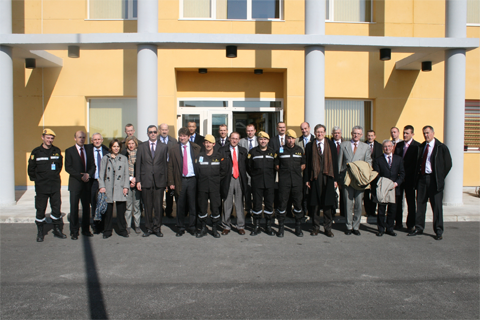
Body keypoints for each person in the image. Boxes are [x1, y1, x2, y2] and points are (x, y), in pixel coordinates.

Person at [409, 126, 452, 240]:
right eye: (424, 133)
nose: (426, 135)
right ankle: (419, 228)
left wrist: (440, 177)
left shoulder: (441, 147)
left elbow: (448, 164)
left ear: (433, 133)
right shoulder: (421, 147)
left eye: (428, 133)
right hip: (422, 179)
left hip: (435, 180)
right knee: (421, 205)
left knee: (437, 206)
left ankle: (438, 230)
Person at [28, 129, 67, 242]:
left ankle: (57, 230)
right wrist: (38, 181)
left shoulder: (56, 150)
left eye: (51, 138)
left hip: (54, 185)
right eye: (48, 137)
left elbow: (59, 166)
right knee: (40, 209)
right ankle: (41, 232)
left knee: (56, 208)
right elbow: (31, 169)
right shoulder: (36, 152)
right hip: (41, 186)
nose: (50, 140)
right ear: (43, 137)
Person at [305, 124, 339, 238]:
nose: (320, 134)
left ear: (325, 133)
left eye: (322, 132)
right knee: (314, 204)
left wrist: (335, 179)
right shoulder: (310, 146)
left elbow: (335, 162)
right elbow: (308, 163)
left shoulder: (331, 144)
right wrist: (307, 179)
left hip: (328, 176)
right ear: (315, 133)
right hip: (315, 177)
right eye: (318, 132)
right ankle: (315, 227)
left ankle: (328, 228)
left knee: (327, 203)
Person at [338, 126, 372, 236]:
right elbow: (339, 163)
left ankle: (356, 226)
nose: (356, 135)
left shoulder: (366, 147)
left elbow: (368, 163)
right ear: (351, 133)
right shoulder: (344, 145)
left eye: (358, 133)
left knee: (358, 204)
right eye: (354, 133)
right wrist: (339, 178)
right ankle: (348, 225)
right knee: (348, 203)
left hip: (359, 179)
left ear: (361, 135)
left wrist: (367, 178)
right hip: (347, 178)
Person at [168, 127, 201, 237]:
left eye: (184, 136)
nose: (181, 137)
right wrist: (171, 182)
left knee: (192, 205)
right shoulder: (174, 149)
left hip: (193, 179)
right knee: (180, 205)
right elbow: (170, 166)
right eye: (180, 135)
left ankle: (192, 226)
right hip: (180, 180)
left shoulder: (196, 148)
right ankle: (180, 227)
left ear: (188, 137)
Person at [136, 125, 168, 237]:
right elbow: (138, 165)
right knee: (147, 206)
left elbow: (165, 165)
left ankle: (157, 228)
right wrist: (138, 181)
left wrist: (166, 182)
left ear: (157, 133)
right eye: (151, 132)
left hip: (159, 181)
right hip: (146, 180)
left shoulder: (164, 146)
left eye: (155, 132)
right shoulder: (141, 146)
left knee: (158, 206)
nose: (153, 134)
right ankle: (148, 228)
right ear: (147, 133)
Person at [275, 129, 306, 237]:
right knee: (282, 205)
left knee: (298, 205)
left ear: (295, 139)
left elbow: (303, 165)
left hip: (297, 182)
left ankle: (298, 228)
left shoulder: (300, 150)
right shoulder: (280, 150)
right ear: (286, 138)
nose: (291, 140)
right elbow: (277, 165)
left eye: (293, 138)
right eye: (289, 138)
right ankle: (281, 228)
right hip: (284, 182)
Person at [65, 130, 96, 240]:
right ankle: (74, 231)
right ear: (75, 138)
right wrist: (80, 176)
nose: (81, 139)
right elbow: (68, 167)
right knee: (74, 208)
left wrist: (89, 174)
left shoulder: (89, 150)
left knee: (86, 208)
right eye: (79, 137)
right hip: (75, 184)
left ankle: (86, 230)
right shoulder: (69, 151)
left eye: (83, 137)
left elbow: (93, 165)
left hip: (86, 184)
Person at [195, 134, 227, 238]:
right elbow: (197, 171)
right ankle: (203, 228)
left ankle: (214, 229)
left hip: (214, 187)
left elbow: (223, 171)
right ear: (203, 144)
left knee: (215, 208)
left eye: (210, 142)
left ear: (214, 144)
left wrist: (216, 180)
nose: (208, 144)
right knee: (202, 208)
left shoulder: (219, 157)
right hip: (202, 187)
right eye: (206, 142)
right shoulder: (199, 157)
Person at [372, 140, 405, 237]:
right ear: (383, 148)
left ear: (392, 147)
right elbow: (376, 174)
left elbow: (402, 173)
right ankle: (381, 229)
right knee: (381, 210)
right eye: (385, 146)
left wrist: (396, 183)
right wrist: (385, 184)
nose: (387, 148)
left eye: (389, 146)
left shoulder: (399, 159)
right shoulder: (378, 160)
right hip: (383, 188)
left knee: (392, 210)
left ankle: (390, 228)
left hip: (395, 188)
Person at [98, 139, 130, 239]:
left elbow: (126, 173)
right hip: (108, 186)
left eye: (118, 146)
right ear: (111, 147)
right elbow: (101, 174)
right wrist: (102, 186)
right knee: (108, 211)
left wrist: (126, 186)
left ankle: (122, 229)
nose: (116, 148)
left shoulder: (123, 158)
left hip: (120, 186)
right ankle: (107, 230)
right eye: (114, 146)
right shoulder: (105, 158)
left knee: (121, 210)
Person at [247, 131, 276, 236]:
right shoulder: (253, 152)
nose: (263, 141)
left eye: (265, 139)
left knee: (269, 205)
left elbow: (275, 168)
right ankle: (257, 226)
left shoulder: (273, 152)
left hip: (269, 183)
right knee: (257, 205)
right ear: (257, 140)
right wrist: (255, 176)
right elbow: (249, 167)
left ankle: (268, 226)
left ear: (268, 140)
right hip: (257, 183)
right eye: (260, 139)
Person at [393, 125, 420, 232]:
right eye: (404, 133)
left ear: (412, 134)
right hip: (399, 179)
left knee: (411, 202)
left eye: (407, 133)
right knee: (398, 202)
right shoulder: (399, 145)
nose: (405, 135)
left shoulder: (417, 146)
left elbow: (416, 164)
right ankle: (398, 223)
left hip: (410, 179)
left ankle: (410, 224)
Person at [220, 132, 248, 235]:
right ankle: (226, 226)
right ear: (229, 139)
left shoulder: (243, 151)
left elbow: (247, 166)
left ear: (239, 140)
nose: (234, 140)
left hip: (239, 179)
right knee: (227, 202)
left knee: (239, 203)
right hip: (228, 179)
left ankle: (240, 226)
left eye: (236, 138)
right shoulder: (223, 151)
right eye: (232, 138)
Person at [85, 133, 109, 234]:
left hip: (104, 181)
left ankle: (104, 224)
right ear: (92, 141)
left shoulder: (106, 151)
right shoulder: (87, 150)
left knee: (104, 203)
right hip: (93, 180)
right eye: (95, 139)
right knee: (94, 203)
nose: (97, 141)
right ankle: (96, 225)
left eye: (99, 139)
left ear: (102, 140)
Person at [295, 121, 315, 219]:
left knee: (312, 193)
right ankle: (302, 212)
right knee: (301, 193)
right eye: (302, 129)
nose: (304, 130)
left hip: (312, 171)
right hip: (301, 171)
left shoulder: (315, 140)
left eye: (305, 128)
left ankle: (311, 213)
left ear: (309, 128)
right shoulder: (297, 140)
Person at [158, 123, 177, 219]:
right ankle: (159, 211)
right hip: (159, 171)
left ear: (168, 130)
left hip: (170, 170)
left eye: (166, 129)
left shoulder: (173, 141)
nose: (164, 131)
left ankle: (169, 211)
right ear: (159, 130)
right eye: (162, 129)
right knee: (159, 193)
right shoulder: (155, 140)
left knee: (170, 192)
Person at [239, 123, 258, 217]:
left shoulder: (260, 140)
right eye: (248, 131)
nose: (250, 132)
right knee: (247, 191)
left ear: (255, 131)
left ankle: (256, 209)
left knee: (256, 192)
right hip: (245, 170)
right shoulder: (241, 141)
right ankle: (248, 210)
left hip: (257, 171)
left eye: (251, 130)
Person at [124, 136, 142, 234]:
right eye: (129, 143)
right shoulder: (124, 154)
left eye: (132, 143)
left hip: (138, 182)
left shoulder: (140, 154)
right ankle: (128, 225)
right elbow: (122, 170)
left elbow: (141, 168)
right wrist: (130, 179)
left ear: (136, 144)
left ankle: (137, 225)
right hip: (127, 183)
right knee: (128, 206)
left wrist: (136, 180)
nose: (131, 145)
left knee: (137, 206)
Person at [363, 130, 383, 217]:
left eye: (372, 135)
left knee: (374, 192)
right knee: (366, 192)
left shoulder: (379, 146)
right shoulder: (362, 145)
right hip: (365, 172)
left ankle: (373, 210)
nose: (370, 137)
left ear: (375, 136)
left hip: (375, 173)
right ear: (366, 136)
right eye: (368, 135)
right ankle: (367, 211)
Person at [331, 126, 345, 218]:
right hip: (332, 172)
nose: (337, 134)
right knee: (332, 193)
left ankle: (343, 213)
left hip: (343, 172)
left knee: (344, 193)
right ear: (332, 134)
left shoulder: (345, 144)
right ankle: (332, 212)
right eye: (335, 133)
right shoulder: (328, 143)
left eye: (338, 133)